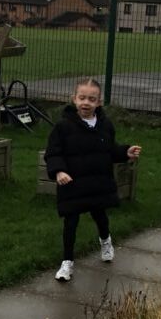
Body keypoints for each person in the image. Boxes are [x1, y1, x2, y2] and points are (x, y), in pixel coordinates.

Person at [45, 77, 141, 282]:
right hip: (73, 184)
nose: (86, 103)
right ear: (74, 99)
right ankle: (67, 262)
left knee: (100, 216)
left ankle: (105, 241)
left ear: (99, 102)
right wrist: (59, 171)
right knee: (70, 222)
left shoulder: (105, 125)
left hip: (97, 183)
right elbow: (53, 153)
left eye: (91, 99)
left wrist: (125, 153)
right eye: (82, 98)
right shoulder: (63, 127)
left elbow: (110, 150)